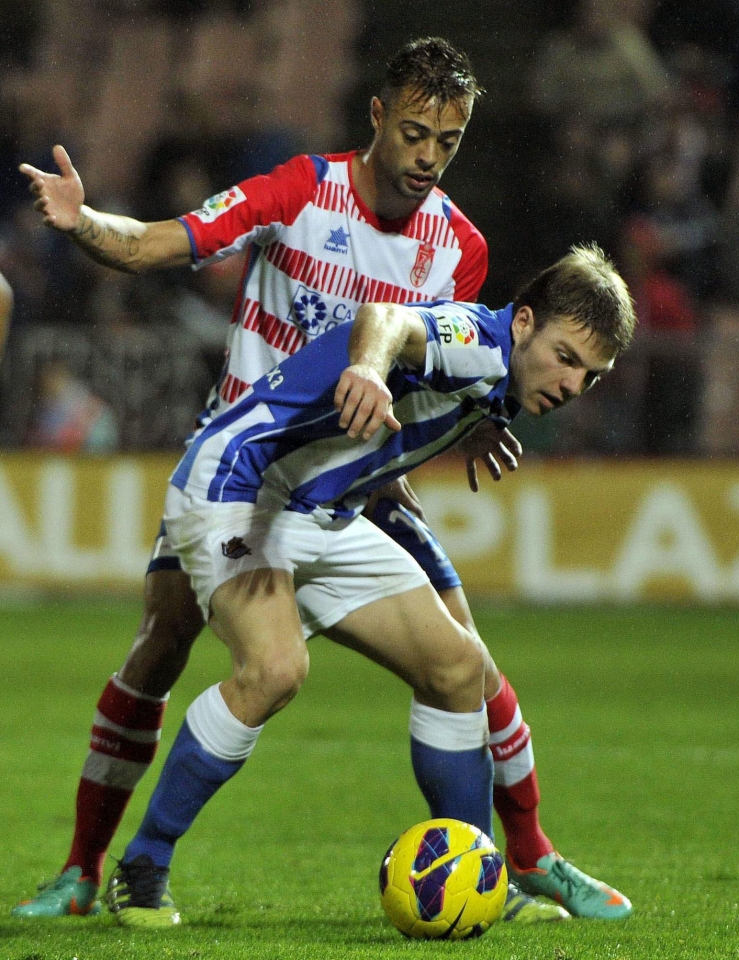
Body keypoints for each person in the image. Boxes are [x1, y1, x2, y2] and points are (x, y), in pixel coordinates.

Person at [14, 38, 629, 924]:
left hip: (347, 488)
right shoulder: (303, 188)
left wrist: (476, 417)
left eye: (447, 141)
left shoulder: (460, 246)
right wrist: (84, 223)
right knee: (177, 649)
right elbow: (164, 245)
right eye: (414, 132)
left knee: (463, 662)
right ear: (377, 117)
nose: (427, 156)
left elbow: (465, 352)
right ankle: (97, 869)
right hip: (243, 463)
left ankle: (499, 867)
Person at [103, 243, 637, 927]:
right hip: (240, 487)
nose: (571, 383)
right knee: (274, 668)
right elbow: (389, 318)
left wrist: (474, 425)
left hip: (324, 512)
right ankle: (143, 864)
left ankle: (480, 873)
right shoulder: (480, 341)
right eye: (566, 357)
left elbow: (436, 405)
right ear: (525, 321)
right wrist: (367, 365)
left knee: (458, 667)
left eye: (590, 377)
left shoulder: (498, 384)